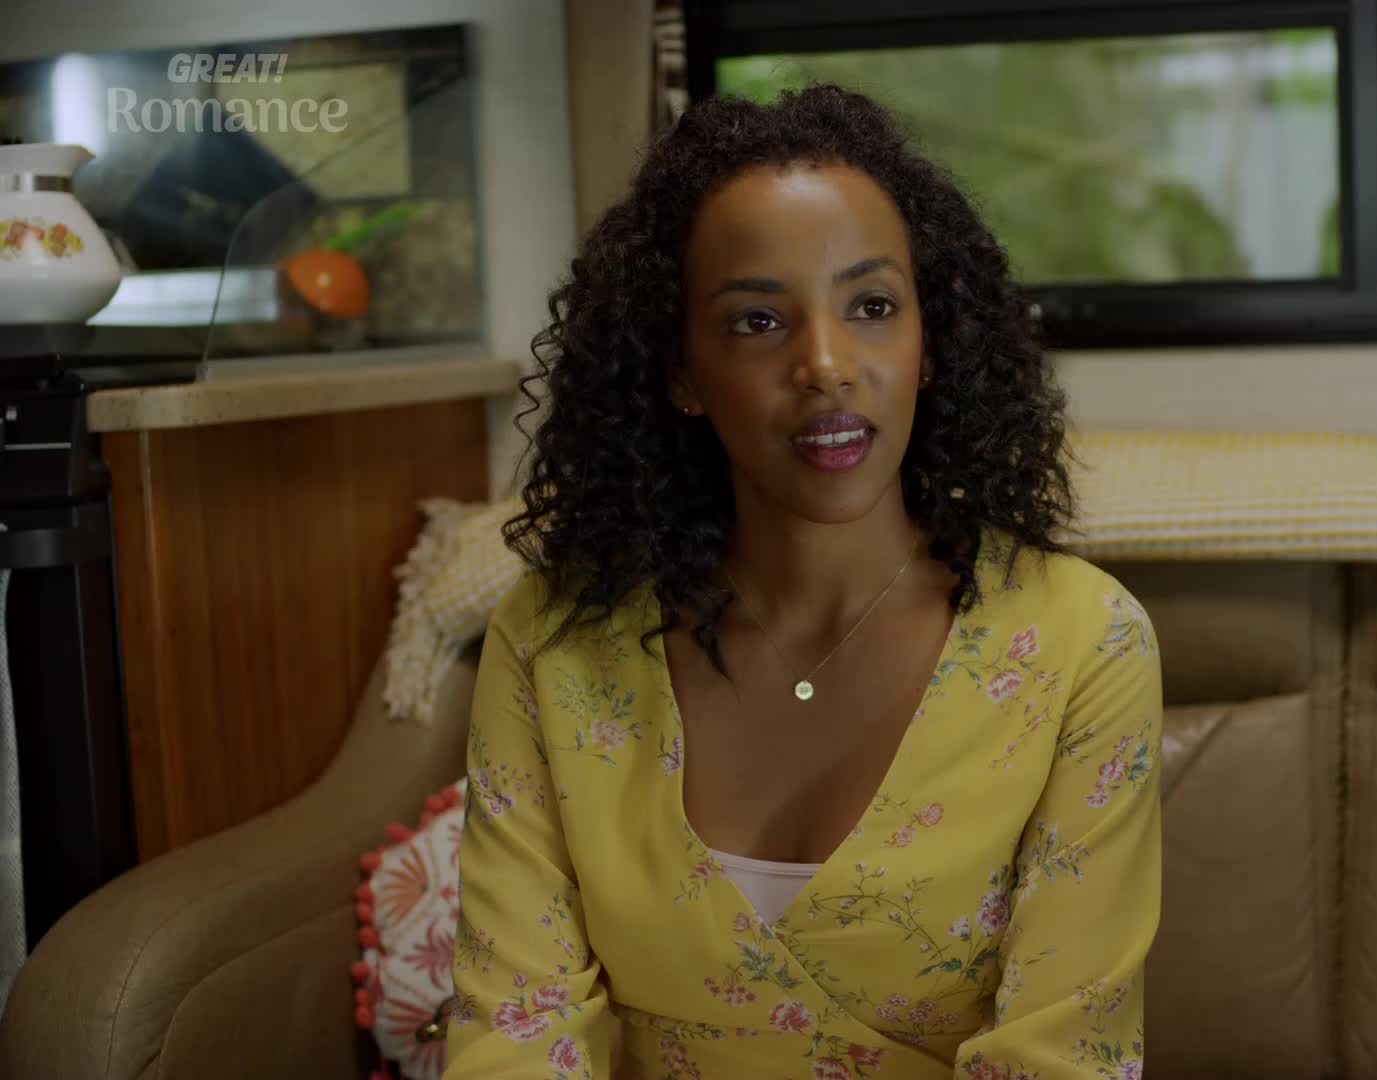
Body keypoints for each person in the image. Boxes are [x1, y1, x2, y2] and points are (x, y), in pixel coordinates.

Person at [447, 84, 1163, 1080]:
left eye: (872, 307)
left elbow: (1062, 1058)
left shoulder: (1085, 642)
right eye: (756, 321)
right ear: (680, 372)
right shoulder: (552, 638)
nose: (825, 365)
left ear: (929, 344)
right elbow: (516, 1036)